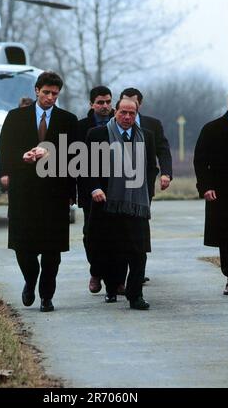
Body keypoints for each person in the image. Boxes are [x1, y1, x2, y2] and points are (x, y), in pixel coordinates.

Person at [0, 71, 77, 312]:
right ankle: (30, 278)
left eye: (55, 94)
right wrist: (19, 160)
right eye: (46, 93)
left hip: (55, 192)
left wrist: (50, 153)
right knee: (23, 246)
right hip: (24, 191)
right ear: (36, 90)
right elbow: (5, 147)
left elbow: (76, 154)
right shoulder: (15, 117)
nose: (50, 98)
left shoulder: (67, 119)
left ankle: (46, 295)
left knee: (53, 249)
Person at [86, 98, 157, 310]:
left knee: (138, 252)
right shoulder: (97, 134)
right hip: (107, 202)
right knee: (110, 250)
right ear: (115, 112)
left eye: (132, 114)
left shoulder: (147, 136)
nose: (127, 117)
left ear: (137, 114)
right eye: (123, 112)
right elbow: (87, 166)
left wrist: (146, 193)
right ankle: (111, 287)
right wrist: (95, 187)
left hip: (137, 204)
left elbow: (150, 168)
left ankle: (135, 295)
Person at [120, 87, 172, 284]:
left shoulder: (152, 125)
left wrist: (165, 173)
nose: (127, 111)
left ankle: (136, 271)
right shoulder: (112, 126)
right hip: (117, 188)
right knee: (120, 230)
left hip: (142, 188)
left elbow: (163, 150)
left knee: (139, 229)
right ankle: (118, 274)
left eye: (131, 104)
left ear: (138, 105)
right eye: (123, 103)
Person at [194, 89, 228, 295]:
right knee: (227, 237)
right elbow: (200, 161)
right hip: (223, 193)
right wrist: (206, 187)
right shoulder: (212, 129)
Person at [77, 86, 114, 294]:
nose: (105, 106)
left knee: (117, 234)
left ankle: (115, 278)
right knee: (91, 234)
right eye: (100, 102)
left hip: (116, 187)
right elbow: (75, 161)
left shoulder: (117, 125)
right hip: (89, 189)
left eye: (108, 101)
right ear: (92, 104)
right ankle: (96, 271)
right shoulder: (81, 127)